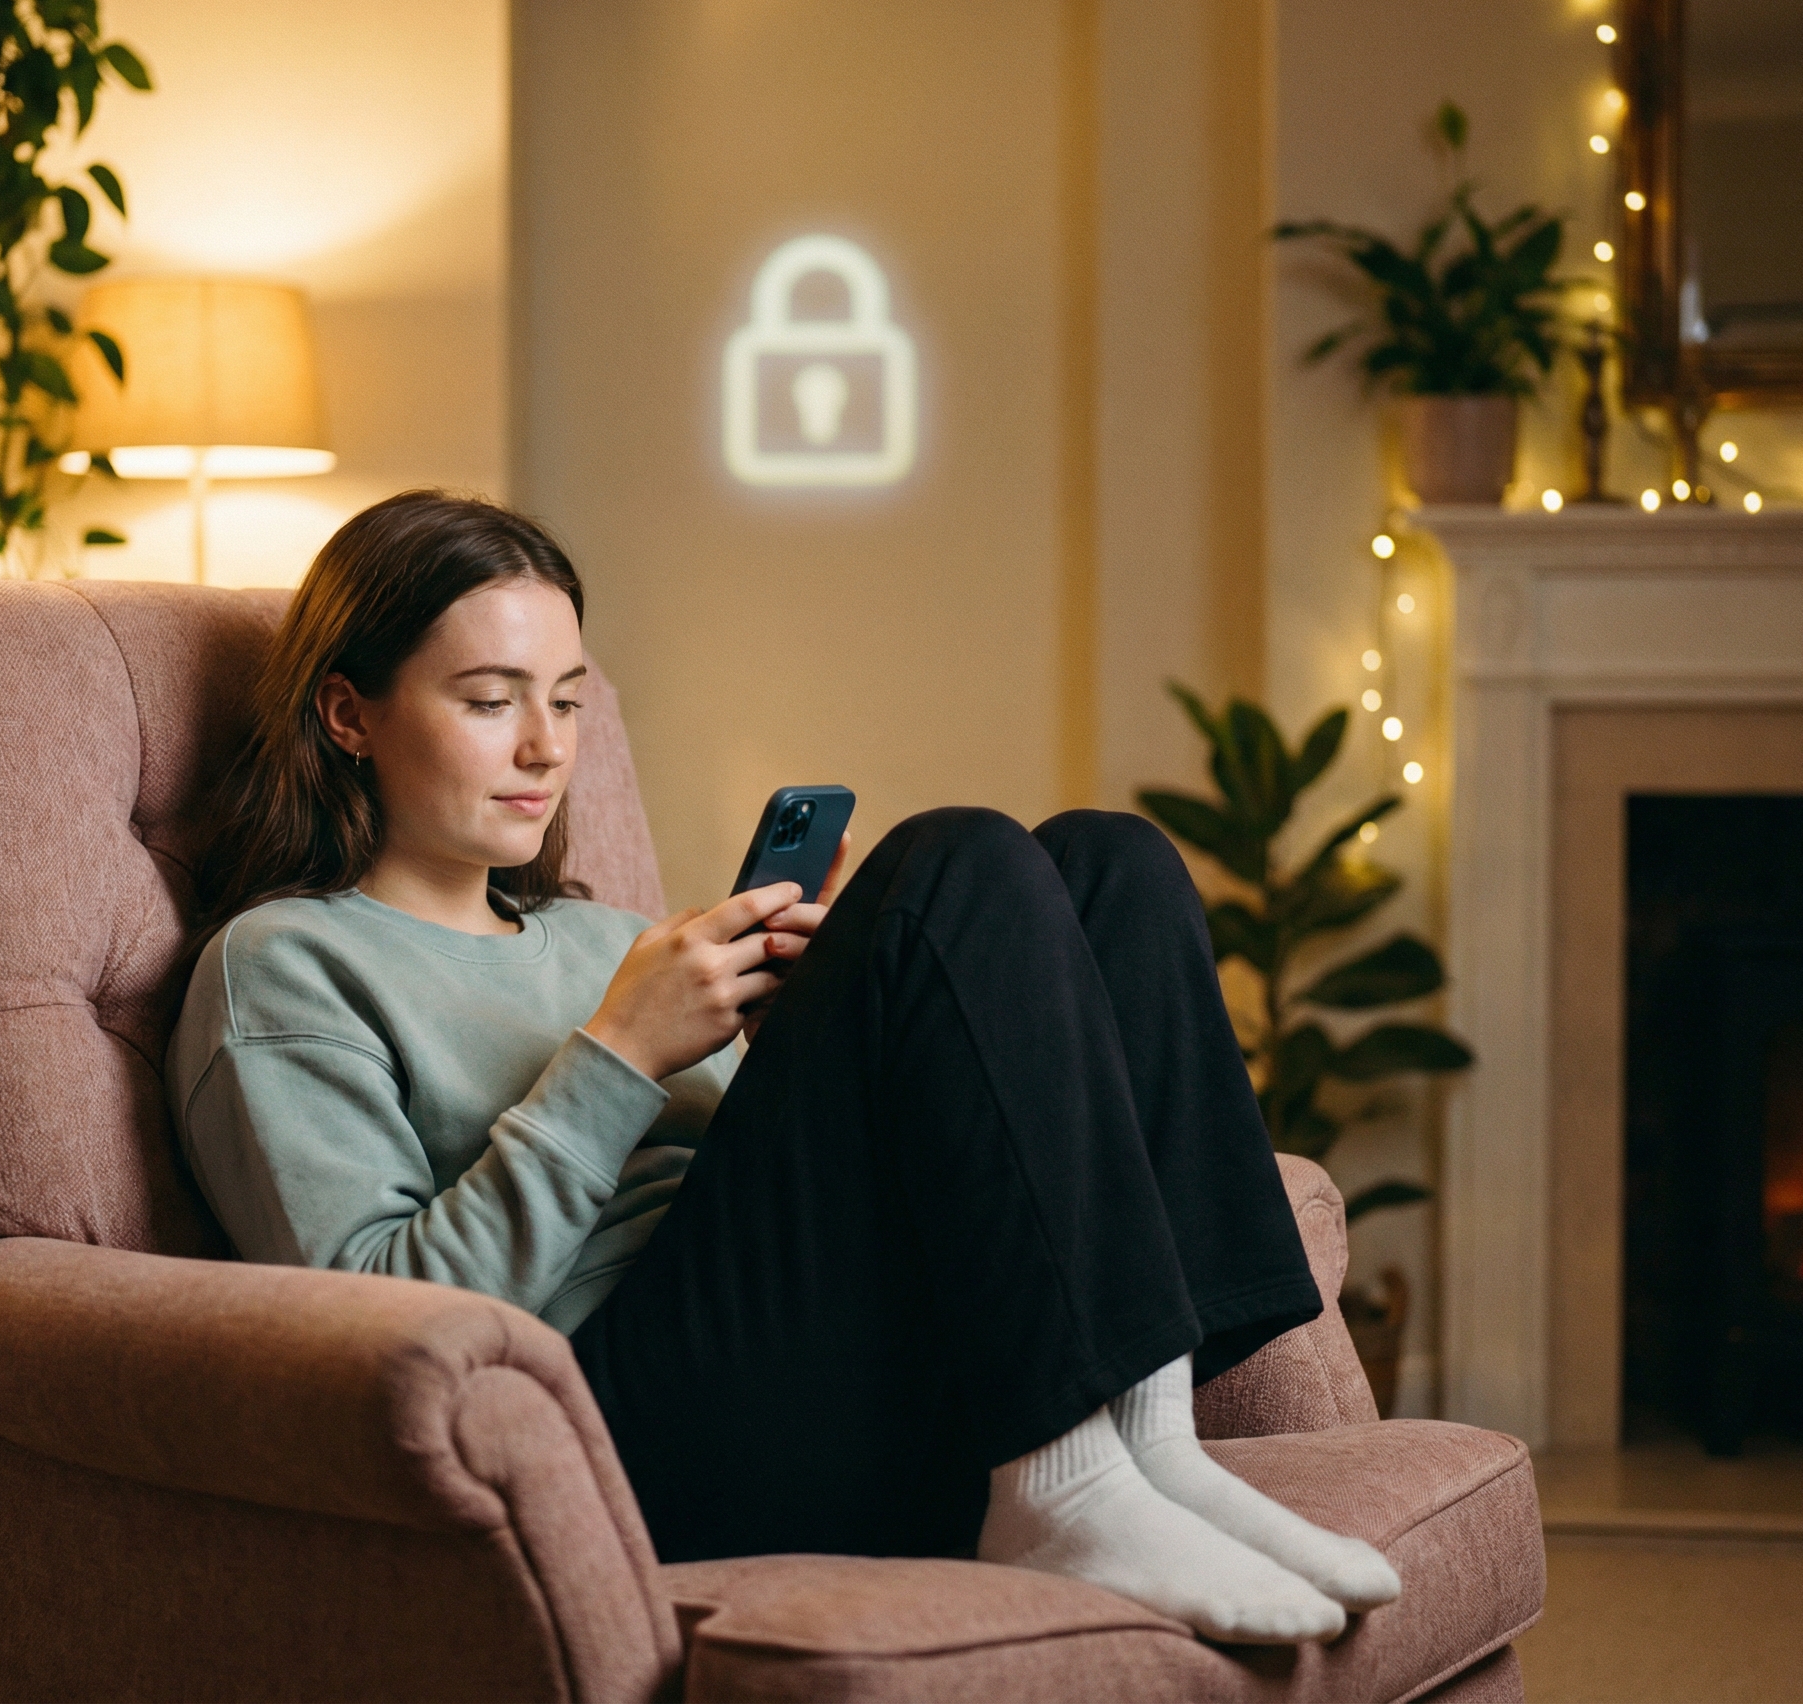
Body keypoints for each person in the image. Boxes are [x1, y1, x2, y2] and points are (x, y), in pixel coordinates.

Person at [167, 491, 1401, 1645]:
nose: (545, 748)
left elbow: (751, 1208)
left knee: (1108, 861)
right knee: (954, 862)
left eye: (569, 701)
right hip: (627, 1434)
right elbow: (376, 1322)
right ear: (349, 714)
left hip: (807, 1370)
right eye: (491, 701)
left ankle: (1153, 1447)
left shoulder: (602, 936)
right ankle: (1068, 1488)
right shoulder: (283, 965)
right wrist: (620, 1053)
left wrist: (815, 1046)